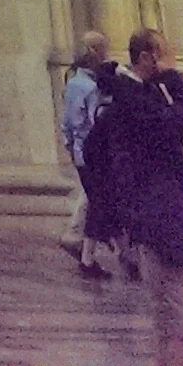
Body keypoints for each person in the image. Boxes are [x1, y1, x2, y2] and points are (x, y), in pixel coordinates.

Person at [102, 27, 183, 366]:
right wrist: (172, 77)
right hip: (161, 220)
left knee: (178, 318)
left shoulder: (140, 93)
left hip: (169, 216)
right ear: (145, 58)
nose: (170, 62)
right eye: (163, 55)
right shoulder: (131, 99)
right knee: (175, 324)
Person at [61, 30, 115, 278]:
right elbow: (97, 121)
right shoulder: (90, 87)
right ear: (94, 51)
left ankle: (84, 243)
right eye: (102, 48)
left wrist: (71, 147)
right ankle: (88, 257)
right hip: (94, 153)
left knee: (97, 199)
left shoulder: (72, 82)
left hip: (81, 152)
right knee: (100, 203)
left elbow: (68, 122)